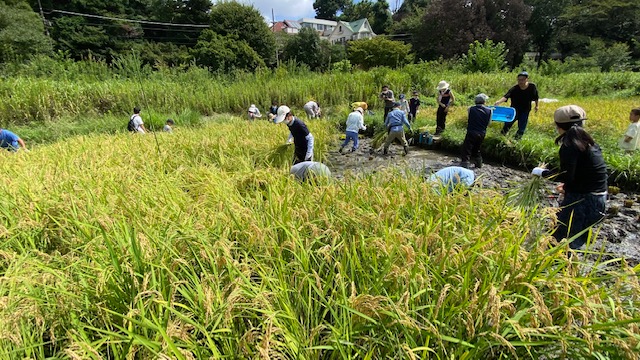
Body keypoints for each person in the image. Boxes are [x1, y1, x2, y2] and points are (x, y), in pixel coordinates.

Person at [531, 105, 608, 250]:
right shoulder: (590, 143)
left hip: (583, 202)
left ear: (558, 125)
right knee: (573, 239)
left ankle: (559, 270)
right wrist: (567, 188)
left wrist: (542, 172)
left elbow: (566, 175)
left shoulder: (569, 145)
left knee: (563, 242)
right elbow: (589, 173)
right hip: (599, 199)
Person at [495, 71, 539, 139]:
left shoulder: (532, 87)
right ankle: (501, 137)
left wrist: (536, 106)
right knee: (508, 124)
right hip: (514, 110)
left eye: (522, 80)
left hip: (525, 109)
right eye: (519, 80)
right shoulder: (515, 88)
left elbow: (536, 97)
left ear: (527, 79)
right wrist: (499, 101)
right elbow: (506, 96)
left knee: (522, 126)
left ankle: (516, 140)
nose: (520, 82)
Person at [460, 94, 492, 169]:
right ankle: (478, 164)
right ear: (484, 101)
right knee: (477, 148)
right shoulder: (490, 111)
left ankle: (465, 165)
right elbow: (489, 123)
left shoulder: (470, 109)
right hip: (482, 132)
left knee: (467, 149)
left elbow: (469, 119)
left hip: (471, 131)